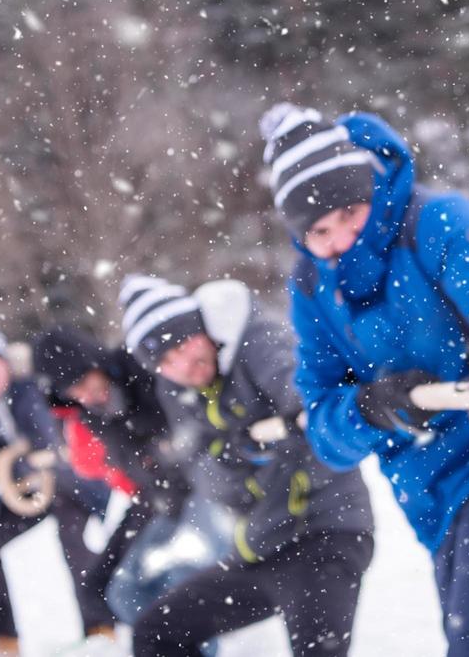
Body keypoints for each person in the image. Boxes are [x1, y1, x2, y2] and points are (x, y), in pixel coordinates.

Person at [260, 103, 469, 657]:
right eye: (320, 230)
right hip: (438, 508)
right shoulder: (313, 289)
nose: (342, 236)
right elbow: (323, 427)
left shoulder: (434, 224)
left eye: (350, 211)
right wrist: (368, 409)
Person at [118, 274, 375, 656]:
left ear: (202, 329)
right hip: (262, 545)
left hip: (324, 529)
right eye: (166, 362)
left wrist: (283, 428)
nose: (183, 365)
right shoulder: (175, 390)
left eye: (184, 345)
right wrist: (233, 456)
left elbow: (306, 398)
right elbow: (205, 476)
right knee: (157, 631)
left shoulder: (257, 341)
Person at [0, 323, 116, 656]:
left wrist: (23, 460)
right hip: (23, 491)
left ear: (7, 364)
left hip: (67, 483)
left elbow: (49, 444)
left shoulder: (29, 389)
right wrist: (14, 468)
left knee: (73, 536)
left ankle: (101, 626)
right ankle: (3, 641)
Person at [33, 323, 197, 624]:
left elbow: (187, 436)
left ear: (93, 363)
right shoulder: (91, 411)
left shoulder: (141, 371)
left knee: (141, 587)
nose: (84, 393)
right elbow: (124, 465)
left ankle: (179, 637)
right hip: (152, 499)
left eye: (83, 380)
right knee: (96, 591)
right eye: (73, 390)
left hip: (192, 494)